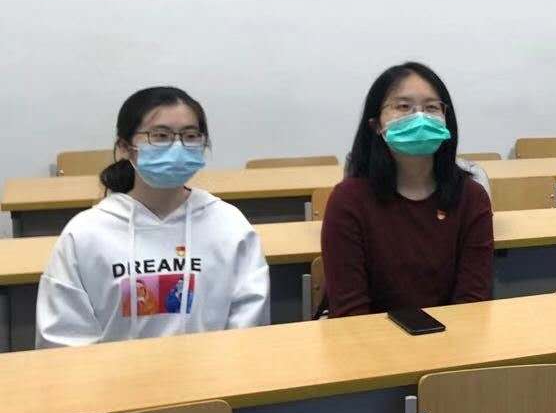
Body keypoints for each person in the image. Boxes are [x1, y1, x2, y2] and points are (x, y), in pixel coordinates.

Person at [36, 87, 269, 348]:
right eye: (160, 136)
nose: (177, 147)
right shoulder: (86, 234)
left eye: (190, 136)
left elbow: (249, 324)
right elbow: (64, 337)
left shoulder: (229, 225)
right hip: (112, 374)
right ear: (125, 148)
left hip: (215, 371)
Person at [321, 62, 494, 316]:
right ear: (376, 125)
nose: (420, 117)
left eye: (431, 107)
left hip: (455, 336)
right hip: (367, 337)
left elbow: (472, 304)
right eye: (403, 107)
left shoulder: (471, 197)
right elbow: (350, 314)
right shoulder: (348, 200)